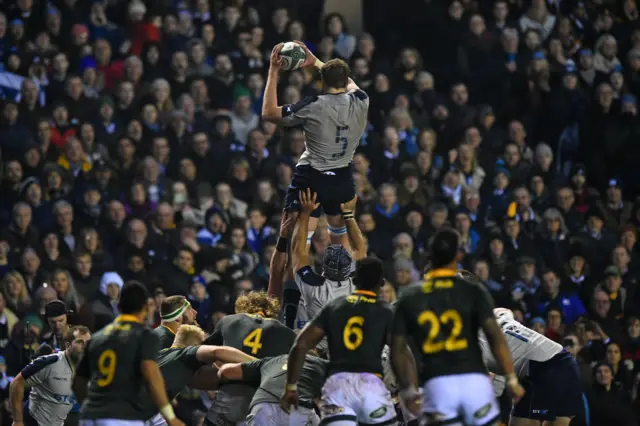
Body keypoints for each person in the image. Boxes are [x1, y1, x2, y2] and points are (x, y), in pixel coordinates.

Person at [263, 41, 369, 300]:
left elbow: (269, 114)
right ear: (346, 80)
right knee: (340, 248)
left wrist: (273, 72)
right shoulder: (361, 100)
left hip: (311, 178)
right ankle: (340, 298)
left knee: (292, 244)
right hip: (342, 177)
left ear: (322, 81)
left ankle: (274, 303)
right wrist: (317, 62)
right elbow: (347, 82)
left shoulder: (313, 105)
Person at [390, 229, 524, 426]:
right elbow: (496, 338)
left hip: (438, 383)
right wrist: (511, 377)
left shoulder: (410, 296)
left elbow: (398, 349)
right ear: (458, 256)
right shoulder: (473, 290)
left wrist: (408, 389)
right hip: (474, 382)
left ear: (429, 256)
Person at [282, 257, 397, 425]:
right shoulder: (386, 311)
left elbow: (301, 344)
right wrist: (410, 388)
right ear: (382, 283)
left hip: (338, 388)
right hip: (371, 385)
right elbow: (400, 352)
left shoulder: (334, 306)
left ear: (355, 280)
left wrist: (291, 386)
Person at [72, 281, 185, 426]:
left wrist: (92, 407)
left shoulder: (97, 337)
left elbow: (78, 382)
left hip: (89, 417)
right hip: (122, 418)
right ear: (145, 307)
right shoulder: (145, 335)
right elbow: (151, 375)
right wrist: (171, 417)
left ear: (119, 307)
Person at [203, 291, 295, 426]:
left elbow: (206, 355)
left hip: (228, 399)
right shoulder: (288, 334)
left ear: (243, 307)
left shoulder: (228, 321)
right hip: (263, 406)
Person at [480, 308, 583, 426]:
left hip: (543, 371)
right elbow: (504, 311)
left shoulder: (473, 348)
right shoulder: (498, 315)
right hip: (568, 364)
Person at [144, 324, 255, 426]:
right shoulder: (185, 355)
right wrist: (261, 364)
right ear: (196, 346)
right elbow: (218, 352)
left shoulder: (161, 355)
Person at [291, 190, 366, 333]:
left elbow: (298, 251)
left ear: (323, 265)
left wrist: (306, 213)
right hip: (348, 346)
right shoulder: (356, 285)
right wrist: (349, 214)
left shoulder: (315, 289)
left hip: (318, 350)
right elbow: (360, 248)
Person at [9, 326, 91, 426]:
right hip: (34, 421)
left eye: (88, 343)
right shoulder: (50, 362)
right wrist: (17, 421)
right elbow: (17, 383)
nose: (85, 346)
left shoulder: (91, 367)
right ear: (68, 345)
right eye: (80, 342)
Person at [217, 353, 327, 426]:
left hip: (263, 408)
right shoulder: (321, 363)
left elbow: (226, 371)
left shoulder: (270, 361)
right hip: (297, 409)